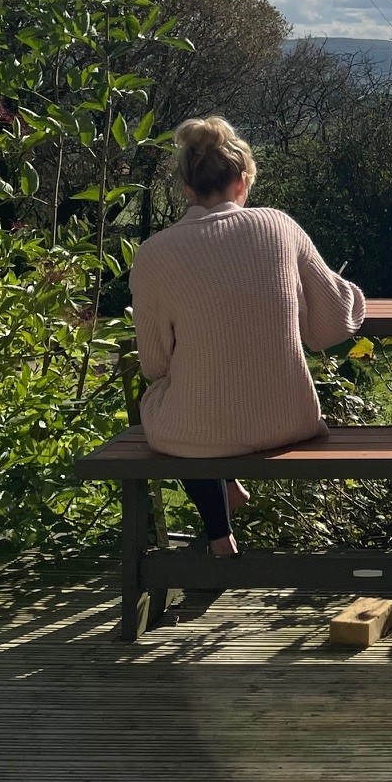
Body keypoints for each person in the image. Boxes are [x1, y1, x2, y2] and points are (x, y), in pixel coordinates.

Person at [129, 115, 365, 556]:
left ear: (187, 190)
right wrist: (351, 290)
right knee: (201, 402)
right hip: (287, 420)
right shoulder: (278, 225)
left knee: (172, 402)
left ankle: (219, 533)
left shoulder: (154, 254)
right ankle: (227, 500)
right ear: (242, 182)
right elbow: (331, 323)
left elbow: (155, 364)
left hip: (200, 432)